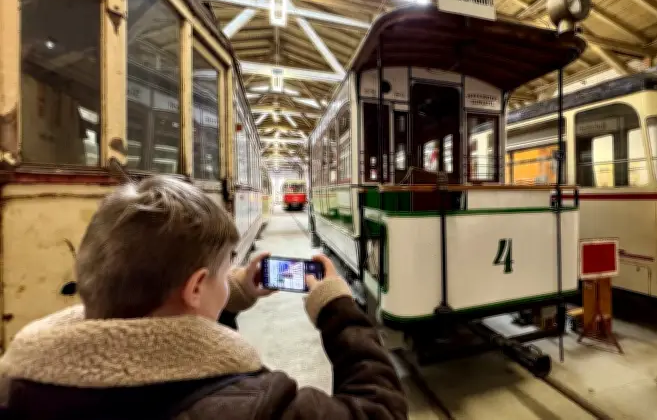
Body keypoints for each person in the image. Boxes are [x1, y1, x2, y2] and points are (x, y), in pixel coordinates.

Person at [0, 176, 407, 419]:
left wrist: (231, 296)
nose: (229, 281)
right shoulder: (256, 406)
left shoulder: (16, 386)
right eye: (224, 273)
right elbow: (381, 411)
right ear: (194, 289)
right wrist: (337, 309)